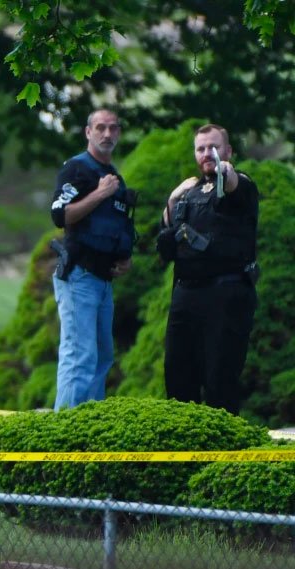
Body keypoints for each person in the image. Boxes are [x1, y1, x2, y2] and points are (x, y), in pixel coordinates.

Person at [156, 124, 259, 414]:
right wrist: (173, 199)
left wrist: (227, 171)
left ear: (227, 151)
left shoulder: (240, 184)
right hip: (186, 294)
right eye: (200, 149)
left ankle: (222, 453)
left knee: (219, 380)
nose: (206, 154)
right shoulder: (188, 191)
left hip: (225, 293)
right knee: (177, 378)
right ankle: (185, 453)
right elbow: (165, 233)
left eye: (213, 147)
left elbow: (233, 183)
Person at [49, 109, 136, 411]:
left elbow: (120, 227)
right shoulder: (77, 170)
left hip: (103, 281)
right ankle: (65, 439)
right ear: (88, 132)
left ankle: (88, 431)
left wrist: (125, 260)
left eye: (113, 128)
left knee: (101, 356)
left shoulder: (116, 178)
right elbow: (60, 215)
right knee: (80, 355)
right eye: (100, 128)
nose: (107, 134)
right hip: (79, 277)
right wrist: (99, 194)